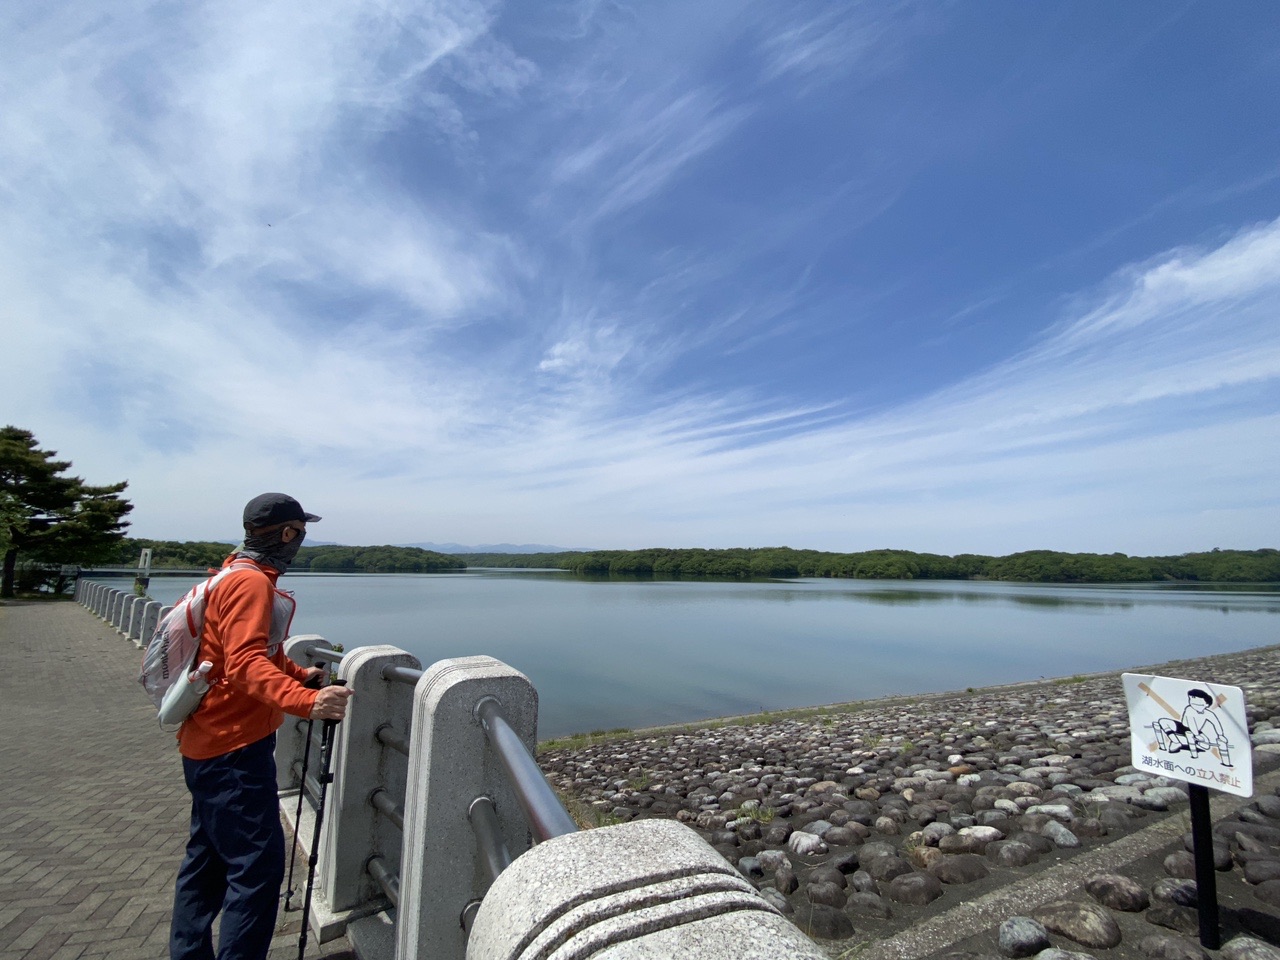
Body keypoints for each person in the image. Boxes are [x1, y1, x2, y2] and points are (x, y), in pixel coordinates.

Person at [169, 493, 353, 960]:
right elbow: (245, 664)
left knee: (206, 864)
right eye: (299, 532)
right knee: (257, 871)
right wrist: (309, 701)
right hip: (234, 750)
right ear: (288, 534)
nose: (300, 541)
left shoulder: (231, 573)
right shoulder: (251, 585)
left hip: (207, 742)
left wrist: (296, 676)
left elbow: (254, 653)